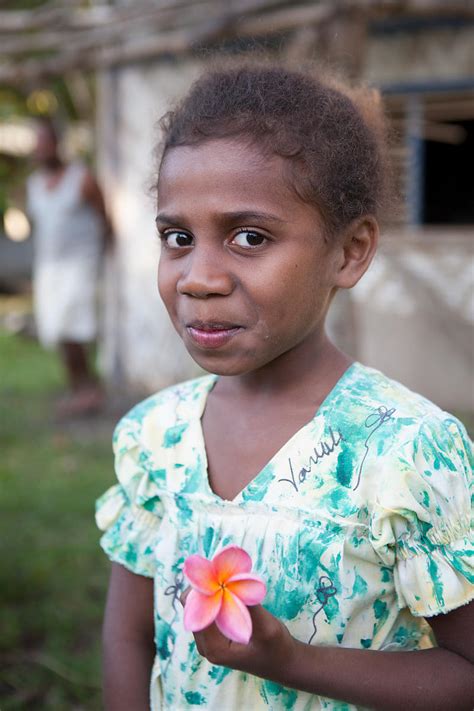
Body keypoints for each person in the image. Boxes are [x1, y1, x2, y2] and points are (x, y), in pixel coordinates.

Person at [95, 65, 474, 710]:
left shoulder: (408, 452)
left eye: (250, 237)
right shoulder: (153, 437)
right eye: (177, 238)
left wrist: (290, 661)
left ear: (349, 251)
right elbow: (128, 638)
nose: (199, 278)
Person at [27, 118, 111, 416]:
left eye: (45, 142)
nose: (41, 149)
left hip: (80, 264)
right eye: (36, 144)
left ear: (57, 144)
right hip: (48, 267)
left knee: (74, 327)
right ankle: (79, 389)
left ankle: (90, 389)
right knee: (57, 330)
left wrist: (106, 255)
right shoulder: (34, 185)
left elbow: (104, 219)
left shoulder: (81, 178)